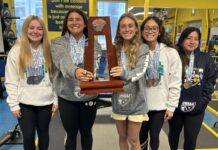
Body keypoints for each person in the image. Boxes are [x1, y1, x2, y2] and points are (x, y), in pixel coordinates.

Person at [5, 15, 58, 150]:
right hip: (25, 103)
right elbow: (11, 80)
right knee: (28, 136)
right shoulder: (16, 51)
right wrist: (13, 104)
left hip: (46, 102)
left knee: (43, 134)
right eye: (32, 28)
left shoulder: (50, 50)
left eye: (40, 28)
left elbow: (56, 77)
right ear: (25, 29)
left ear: (44, 31)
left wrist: (56, 99)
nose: (35, 31)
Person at [51, 8, 101, 150]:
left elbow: (95, 66)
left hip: (89, 96)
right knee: (71, 135)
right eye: (70, 19)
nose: (74, 22)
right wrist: (75, 71)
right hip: (67, 97)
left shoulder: (94, 43)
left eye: (78, 19)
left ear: (85, 24)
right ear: (66, 24)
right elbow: (62, 60)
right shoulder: (58, 43)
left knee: (86, 133)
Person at [168, 27, 216, 150]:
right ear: (182, 39)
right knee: (173, 135)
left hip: (196, 108)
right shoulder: (174, 57)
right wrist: (169, 103)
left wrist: (203, 102)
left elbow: (210, 82)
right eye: (189, 38)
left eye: (195, 39)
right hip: (175, 107)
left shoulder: (206, 59)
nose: (192, 41)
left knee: (191, 138)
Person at [139, 16, 182, 150]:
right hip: (140, 104)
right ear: (141, 31)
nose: (150, 31)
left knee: (155, 137)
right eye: (146, 28)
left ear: (159, 31)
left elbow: (175, 82)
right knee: (140, 136)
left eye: (154, 28)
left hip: (159, 105)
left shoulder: (171, 53)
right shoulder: (137, 51)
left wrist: (171, 106)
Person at [110, 12, 149, 150]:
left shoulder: (143, 48)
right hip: (119, 98)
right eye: (123, 26)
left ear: (136, 29)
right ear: (119, 30)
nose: (127, 29)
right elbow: (109, 72)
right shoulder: (114, 48)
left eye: (130, 26)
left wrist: (123, 72)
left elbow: (140, 71)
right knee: (122, 137)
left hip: (137, 100)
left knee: (133, 139)